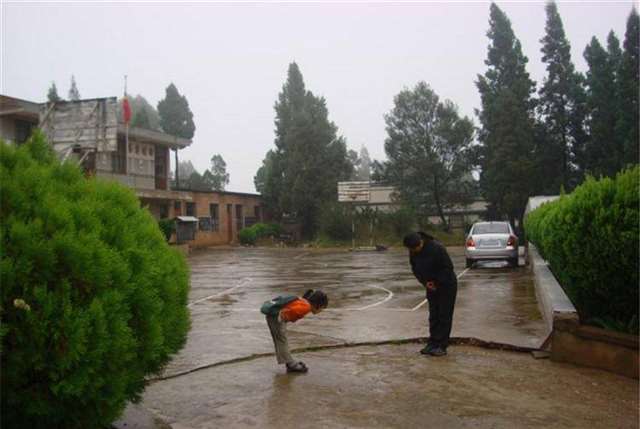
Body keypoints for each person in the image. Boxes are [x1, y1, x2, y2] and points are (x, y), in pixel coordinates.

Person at [403, 231, 457, 357]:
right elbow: (415, 269)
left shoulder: (437, 248)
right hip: (430, 286)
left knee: (444, 316)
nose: (415, 251)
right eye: (412, 249)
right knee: (434, 315)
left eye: (416, 248)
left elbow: (447, 268)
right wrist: (425, 282)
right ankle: (432, 343)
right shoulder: (413, 251)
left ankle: (442, 346)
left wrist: (436, 282)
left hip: (446, 285)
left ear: (421, 242)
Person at [260, 289, 328, 373]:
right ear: (318, 304)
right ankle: (291, 364)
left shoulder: (303, 302)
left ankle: (289, 362)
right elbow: (286, 313)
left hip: (274, 316)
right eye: (322, 308)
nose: (321, 311)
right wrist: (281, 321)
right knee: (281, 341)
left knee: (281, 340)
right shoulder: (306, 307)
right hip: (275, 317)